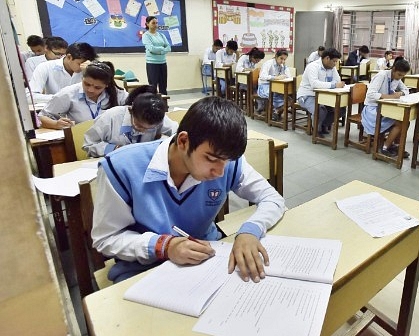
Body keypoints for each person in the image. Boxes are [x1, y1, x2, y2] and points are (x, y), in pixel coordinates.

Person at [91, 96, 286, 283]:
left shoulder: (227, 161)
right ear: (183, 141)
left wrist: (250, 231)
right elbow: (106, 238)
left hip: (208, 257)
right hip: (144, 268)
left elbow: (273, 199)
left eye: (226, 162)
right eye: (211, 159)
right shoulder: (121, 168)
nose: (219, 172)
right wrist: (164, 246)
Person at [83, 85, 178, 157]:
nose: (143, 131)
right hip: (114, 162)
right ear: (131, 110)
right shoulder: (111, 117)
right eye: (139, 126)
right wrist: (113, 148)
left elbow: (177, 133)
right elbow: (88, 144)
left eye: (149, 129)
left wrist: (164, 142)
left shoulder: (157, 117)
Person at [38, 61, 128, 129]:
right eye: (87, 84)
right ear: (82, 78)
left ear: (107, 85)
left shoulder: (117, 93)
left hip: (111, 139)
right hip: (81, 141)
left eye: (97, 87)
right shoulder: (68, 94)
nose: (90, 90)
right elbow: (41, 117)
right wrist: (56, 124)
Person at [362, 59, 411, 158]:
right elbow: (371, 94)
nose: (400, 77)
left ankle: (395, 145)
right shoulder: (382, 76)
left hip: (385, 108)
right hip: (372, 109)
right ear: (393, 69)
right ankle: (385, 147)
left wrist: (400, 93)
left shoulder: (396, 78)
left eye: (402, 75)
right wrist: (391, 97)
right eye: (399, 74)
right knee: (400, 123)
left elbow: (406, 90)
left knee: (406, 121)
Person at [28, 42, 97, 104]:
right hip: (55, 112)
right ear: (69, 57)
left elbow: (101, 95)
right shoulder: (45, 67)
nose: (83, 67)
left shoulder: (89, 68)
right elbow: (30, 97)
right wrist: (61, 98)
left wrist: (89, 73)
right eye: (80, 64)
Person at [297, 48, 345, 137]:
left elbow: (337, 80)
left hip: (323, 95)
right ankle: (316, 129)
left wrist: (335, 84)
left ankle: (323, 124)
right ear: (327, 58)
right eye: (334, 61)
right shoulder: (313, 66)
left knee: (341, 109)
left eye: (336, 62)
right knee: (320, 109)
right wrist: (333, 85)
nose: (335, 64)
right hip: (307, 95)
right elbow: (315, 84)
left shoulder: (332, 67)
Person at [257, 49, 291, 121]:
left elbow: (288, 76)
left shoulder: (282, 65)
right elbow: (263, 76)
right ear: (276, 56)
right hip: (264, 86)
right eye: (281, 58)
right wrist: (275, 78)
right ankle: (275, 111)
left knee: (290, 99)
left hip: (276, 86)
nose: (282, 61)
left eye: (284, 59)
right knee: (275, 95)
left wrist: (285, 69)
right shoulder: (268, 63)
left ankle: (276, 111)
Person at [142, 16, 171, 95]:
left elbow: (168, 47)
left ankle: (164, 105)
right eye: (153, 23)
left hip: (162, 63)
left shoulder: (161, 35)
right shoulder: (146, 35)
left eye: (156, 23)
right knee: (153, 87)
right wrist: (162, 48)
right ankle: (153, 105)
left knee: (163, 86)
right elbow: (151, 49)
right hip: (152, 64)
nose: (155, 25)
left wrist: (160, 51)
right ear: (147, 24)